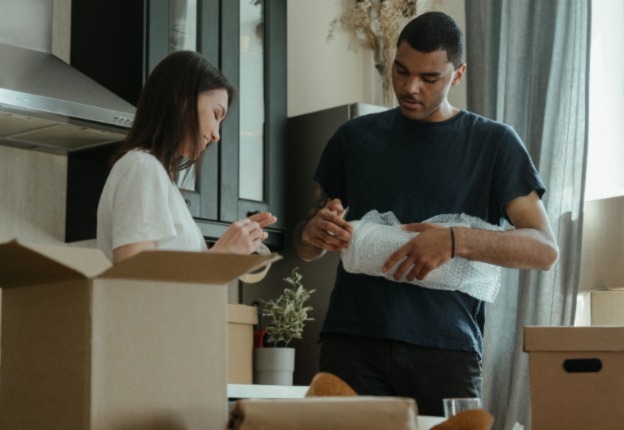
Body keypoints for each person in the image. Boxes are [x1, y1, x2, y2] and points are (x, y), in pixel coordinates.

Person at [294, 12, 558, 416]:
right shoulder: (353, 138)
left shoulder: (494, 144)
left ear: (458, 74)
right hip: (351, 344)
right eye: (401, 71)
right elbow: (306, 246)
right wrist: (314, 233)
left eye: (429, 78)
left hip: (447, 351)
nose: (409, 87)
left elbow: (543, 249)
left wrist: (454, 240)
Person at [97, 50, 276, 265]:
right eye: (216, 115)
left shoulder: (159, 177)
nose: (216, 135)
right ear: (182, 99)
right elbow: (135, 282)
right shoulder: (142, 167)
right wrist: (222, 255)